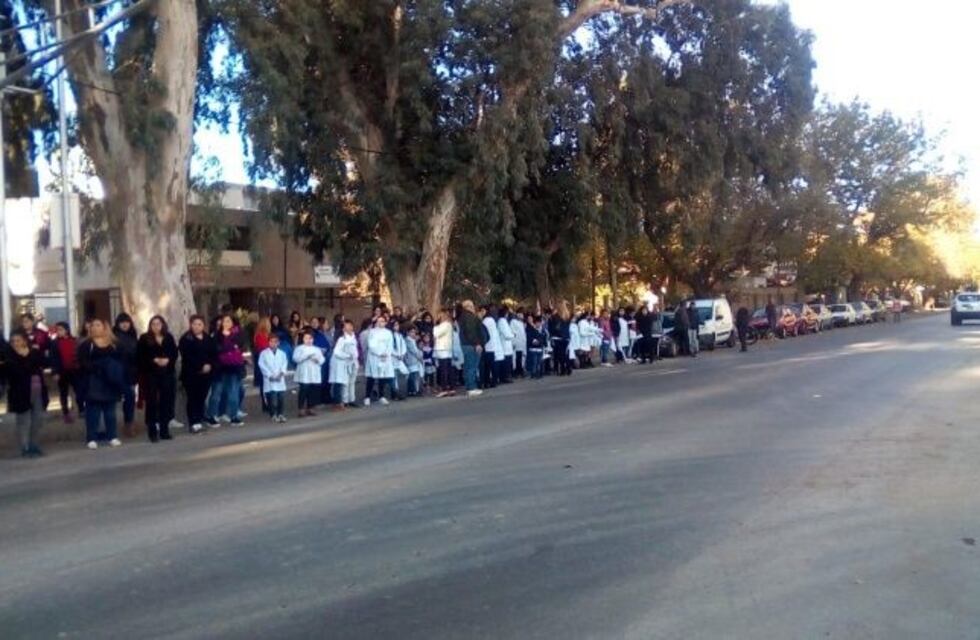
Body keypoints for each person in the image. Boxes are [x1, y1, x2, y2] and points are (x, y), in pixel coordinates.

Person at [78, 319, 125, 449]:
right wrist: (96, 368)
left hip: (110, 381)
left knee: (110, 411)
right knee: (93, 412)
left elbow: (121, 359)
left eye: (98, 325)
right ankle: (91, 438)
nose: (95, 327)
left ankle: (112, 436)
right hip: (93, 381)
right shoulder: (87, 344)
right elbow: (82, 362)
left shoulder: (114, 343)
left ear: (105, 327)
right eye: (93, 325)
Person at [5, 331, 49, 457]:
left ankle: (34, 445)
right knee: (24, 421)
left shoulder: (34, 352)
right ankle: (25, 447)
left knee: (36, 420)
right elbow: (16, 372)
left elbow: (45, 362)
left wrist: (33, 355)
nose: (15, 343)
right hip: (19, 391)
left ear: (24, 340)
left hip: (36, 389)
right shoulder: (10, 356)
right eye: (13, 341)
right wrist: (24, 359)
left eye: (18, 340)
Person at [137, 315, 179, 442]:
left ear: (163, 325)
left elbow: (174, 352)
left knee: (166, 401)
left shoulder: (168, 337)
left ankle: (164, 430)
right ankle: (152, 431)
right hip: (151, 374)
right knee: (152, 403)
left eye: (158, 324)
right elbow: (140, 356)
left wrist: (168, 360)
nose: (156, 326)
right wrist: (153, 360)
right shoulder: (144, 338)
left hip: (166, 373)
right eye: (153, 324)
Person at [178, 315, 216, 434]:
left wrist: (209, 364)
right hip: (191, 374)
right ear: (190, 325)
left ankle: (199, 420)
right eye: (194, 324)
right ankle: (193, 422)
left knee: (201, 397)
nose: (197, 326)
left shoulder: (208, 338)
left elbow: (213, 353)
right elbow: (187, 356)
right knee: (192, 398)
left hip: (206, 374)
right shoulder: (186, 339)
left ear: (203, 325)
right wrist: (201, 366)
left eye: (199, 324)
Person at [209, 315, 246, 426]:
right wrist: (230, 349)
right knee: (216, 393)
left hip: (234, 367)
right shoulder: (216, 335)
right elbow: (215, 349)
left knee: (233, 392)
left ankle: (233, 416)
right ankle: (212, 415)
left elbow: (241, 347)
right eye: (224, 321)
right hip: (219, 368)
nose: (226, 323)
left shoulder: (237, 335)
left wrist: (231, 349)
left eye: (229, 321)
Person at [112, 313, 139, 437]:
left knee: (130, 398)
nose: (125, 324)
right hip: (118, 371)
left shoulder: (133, 336)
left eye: (127, 322)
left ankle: (129, 423)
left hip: (131, 372)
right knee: (120, 397)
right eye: (122, 322)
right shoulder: (113, 337)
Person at [50, 322, 82, 423]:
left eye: (61, 329)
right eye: (58, 330)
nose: (59, 332)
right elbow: (53, 358)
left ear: (66, 330)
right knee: (63, 393)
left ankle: (81, 409)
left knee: (79, 391)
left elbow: (78, 354)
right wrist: (55, 372)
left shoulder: (74, 340)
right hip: (62, 371)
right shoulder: (55, 343)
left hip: (74, 370)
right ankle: (65, 412)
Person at [293, 329, 325, 417]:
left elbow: (322, 360)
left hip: (314, 373)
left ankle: (310, 407)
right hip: (304, 373)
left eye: (310, 338)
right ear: (303, 339)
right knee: (304, 390)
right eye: (306, 338)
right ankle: (301, 408)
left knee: (313, 390)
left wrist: (317, 359)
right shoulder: (299, 348)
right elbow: (296, 359)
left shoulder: (316, 349)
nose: (309, 340)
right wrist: (306, 356)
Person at [259, 333, 289, 423]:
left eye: (275, 342)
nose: (273, 343)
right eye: (271, 342)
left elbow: (285, 364)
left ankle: (281, 414)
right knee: (272, 398)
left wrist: (281, 374)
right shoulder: (263, 353)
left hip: (280, 378)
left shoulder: (282, 353)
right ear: (268, 342)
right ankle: (273, 414)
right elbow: (261, 365)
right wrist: (269, 375)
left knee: (281, 397)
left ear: (278, 343)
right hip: (269, 379)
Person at [329, 320, 359, 410]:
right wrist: (347, 356)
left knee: (352, 382)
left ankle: (351, 399)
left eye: (350, 325)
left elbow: (355, 351)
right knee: (344, 382)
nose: (349, 327)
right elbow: (336, 352)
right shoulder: (342, 339)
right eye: (346, 326)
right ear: (343, 328)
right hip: (342, 363)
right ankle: (344, 401)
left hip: (352, 362)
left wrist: (355, 357)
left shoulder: (353, 337)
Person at [365, 316, 395, 406]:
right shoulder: (372, 332)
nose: (380, 323)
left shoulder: (388, 332)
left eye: (382, 321)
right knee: (372, 377)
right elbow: (371, 345)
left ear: (385, 322)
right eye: (379, 321)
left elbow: (390, 345)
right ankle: (367, 397)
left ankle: (381, 396)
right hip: (374, 357)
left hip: (385, 357)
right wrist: (379, 353)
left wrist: (386, 353)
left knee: (383, 377)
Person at [457, 301, 483, 396]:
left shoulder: (462, 317)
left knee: (468, 367)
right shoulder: (469, 317)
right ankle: (472, 387)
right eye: (472, 306)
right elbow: (471, 332)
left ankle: (469, 387)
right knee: (472, 367)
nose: (473, 307)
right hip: (471, 345)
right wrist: (477, 344)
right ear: (468, 307)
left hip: (465, 344)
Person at [433, 309, 455, 397]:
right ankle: (450, 387)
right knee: (448, 368)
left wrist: (435, 326)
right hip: (445, 348)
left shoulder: (445, 325)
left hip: (443, 348)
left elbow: (436, 334)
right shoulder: (448, 325)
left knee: (444, 369)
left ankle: (445, 388)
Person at [480, 305, 502, 388]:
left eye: (482, 311)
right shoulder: (492, 320)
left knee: (487, 367)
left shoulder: (485, 321)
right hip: (492, 346)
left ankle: (487, 382)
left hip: (487, 346)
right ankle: (493, 381)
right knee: (492, 365)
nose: (481, 313)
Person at [253, 317, 272, 415]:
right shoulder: (260, 336)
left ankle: (269, 403)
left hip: (268, 361)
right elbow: (263, 349)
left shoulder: (266, 335)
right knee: (264, 384)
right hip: (263, 362)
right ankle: (266, 404)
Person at [548, 302, 573, 376]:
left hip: (558, 337)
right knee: (564, 354)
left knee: (560, 355)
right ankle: (568, 367)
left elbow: (553, 328)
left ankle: (563, 369)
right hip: (566, 337)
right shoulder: (567, 316)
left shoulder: (555, 317)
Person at [405, 326, 424, 397]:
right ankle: (414, 390)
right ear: (408, 333)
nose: (413, 334)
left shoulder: (412, 340)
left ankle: (414, 390)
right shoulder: (408, 340)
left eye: (414, 332)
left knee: (414, 375)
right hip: (411, 360)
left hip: (414, 360)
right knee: (413, 376)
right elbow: (414, 351)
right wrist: (419, 357)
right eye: (411, 332)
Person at [511, 309, 527, 378]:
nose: (522, 315)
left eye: (522, 314)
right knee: (516, 358)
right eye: (520, 314)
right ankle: (516, 372)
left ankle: (521, 370)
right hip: (516, 343)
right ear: (517, 314)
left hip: (522, 343)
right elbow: (513, 332)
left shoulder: (521, 323)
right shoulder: (513, 321)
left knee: (521, 358)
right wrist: (513, 342)